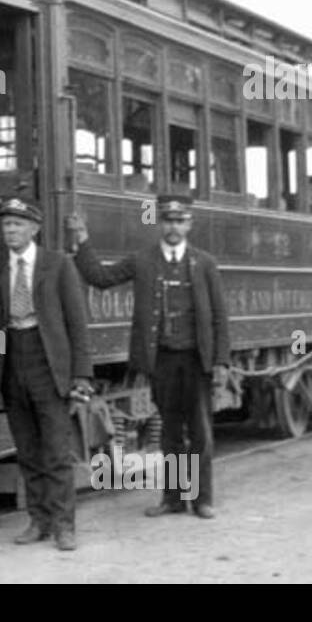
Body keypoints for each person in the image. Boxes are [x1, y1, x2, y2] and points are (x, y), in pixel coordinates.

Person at [67, 194, 229, 519]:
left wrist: (221, 361)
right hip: (163, 360)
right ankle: (172, 499)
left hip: (197, 360)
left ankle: (200, 499)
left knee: (200, 430)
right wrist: (82, 241)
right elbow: (101, 278)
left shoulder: (205, 263)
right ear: (160, 224)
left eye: (179, 221)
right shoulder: (143, 260)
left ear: (189, 225)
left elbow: (219, 318)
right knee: (169, 431)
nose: (173, 227)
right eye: (168, 220)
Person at [0, 197, 94, 550]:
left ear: (33, 229)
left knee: (57, 451)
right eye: (6, 225)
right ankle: (38, 521)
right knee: (28, 450)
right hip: (11, 359)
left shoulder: (58, 264)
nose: (10, 231)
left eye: (17, 225)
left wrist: (81, 375)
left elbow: (77, 323)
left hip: (49, 365)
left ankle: (65, 526)